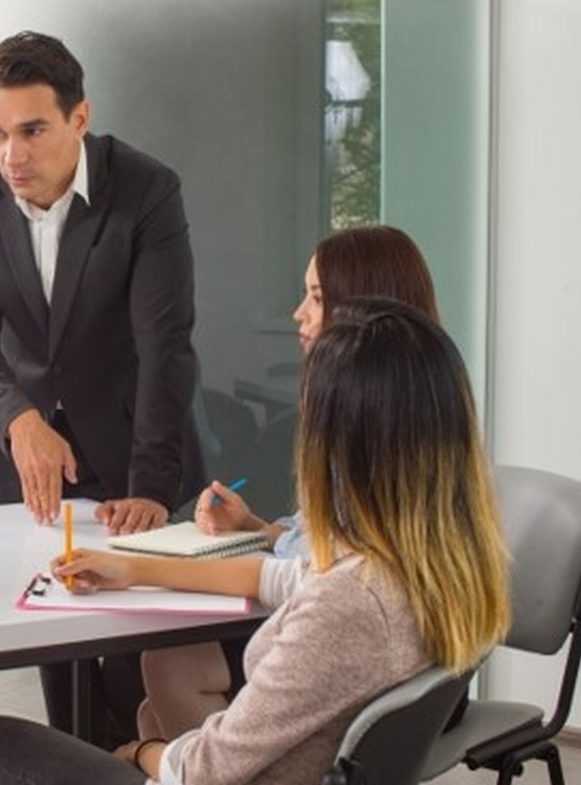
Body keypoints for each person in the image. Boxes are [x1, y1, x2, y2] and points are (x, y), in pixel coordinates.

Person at [0, 296, 511, 784]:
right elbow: (283, 576)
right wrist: (135, 568)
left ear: (344, 447)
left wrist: (141, 753)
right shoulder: (445, 565)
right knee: (156, 700)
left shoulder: (350, 605)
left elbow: (201, 771)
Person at [0, 29, 206, 746]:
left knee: (129, 670)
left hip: (133, 448)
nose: (11, 155)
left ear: (79, 119)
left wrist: (152, 483)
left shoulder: (147, 190)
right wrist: (18, 418)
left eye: (32, 130)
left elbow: (164, 346)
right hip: (28, 468)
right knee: (58, 665)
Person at [141, 224, 444, 736]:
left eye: (316, 297)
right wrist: (257, 527)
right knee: (155, 700)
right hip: (373, 645)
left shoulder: (369, 434)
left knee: (167, 672)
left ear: (360, 310)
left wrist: (135, 569)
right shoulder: (419, 408)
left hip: (352, 651)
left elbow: (325, 573)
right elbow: (329, 544)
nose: (298, 313)